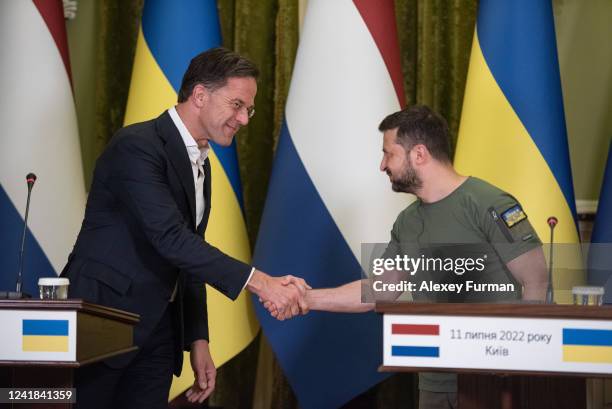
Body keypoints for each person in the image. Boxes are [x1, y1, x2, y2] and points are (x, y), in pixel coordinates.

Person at [61, 47, 308, 409]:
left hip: (159, 332)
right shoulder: (137, 146)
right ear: (200, 95)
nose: (244, 119)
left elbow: (189, 254)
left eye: (249, 109)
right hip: (103, 322)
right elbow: (171, 239)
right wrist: (263, 283)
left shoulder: (201, 163)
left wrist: (198, 340)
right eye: (237, 105)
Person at [270, 105, 548, 409]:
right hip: (434, 381)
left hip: (494, 379)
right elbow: (381, 289)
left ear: (418, 154)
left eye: (389, 153)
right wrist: (306, 299)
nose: (382, 165)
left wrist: (521, 355)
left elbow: (536, 281)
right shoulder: (407, 221)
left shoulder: (488, 203)